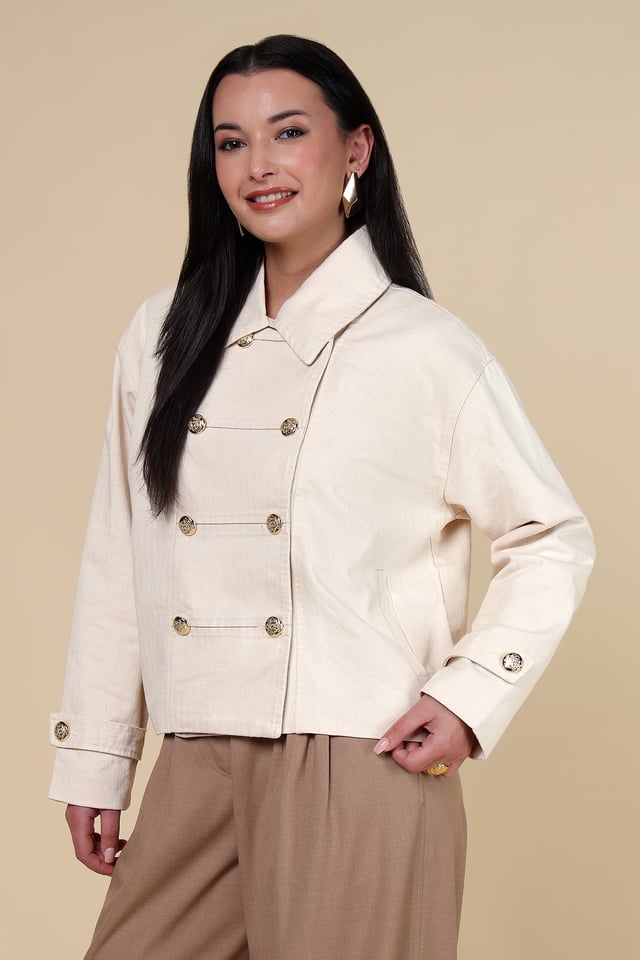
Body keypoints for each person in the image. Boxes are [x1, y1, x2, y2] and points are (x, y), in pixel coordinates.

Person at [49, 34, 595, 960]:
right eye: (231, 142)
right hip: (196, 752)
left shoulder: (424, 347)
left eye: (289, 132)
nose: (257, 165)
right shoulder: (162, 334)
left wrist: (468, 698)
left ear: (356, 150)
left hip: (357, 758)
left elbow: (552, 535)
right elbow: (120, 552)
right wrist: (96, 755)